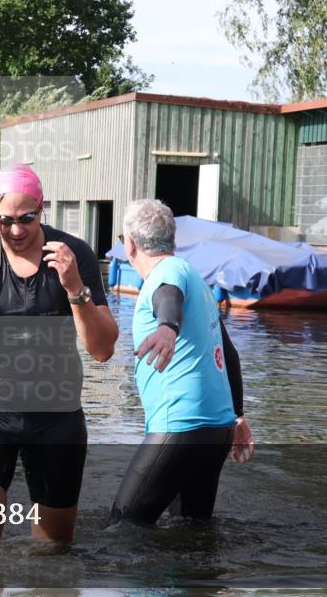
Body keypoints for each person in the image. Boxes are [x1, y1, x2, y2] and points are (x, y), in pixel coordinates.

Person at [0, 164, 119, 558]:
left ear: (41, 209)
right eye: (5, 220)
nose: (16, 231)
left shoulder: (72, 254)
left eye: (26, 219)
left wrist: (75, 288)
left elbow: (103, 349)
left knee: (52, 553)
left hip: (57, 418)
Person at [108, 199, 255, 527]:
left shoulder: (167, 272)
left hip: (182, 427)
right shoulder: (197, 280)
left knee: (121, 529)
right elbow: (228, 352)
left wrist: (167, 327)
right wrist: (238, 416)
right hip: (215, 430)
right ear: (172, 239)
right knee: (192, 534)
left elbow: (167, 298)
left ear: (129, 244)